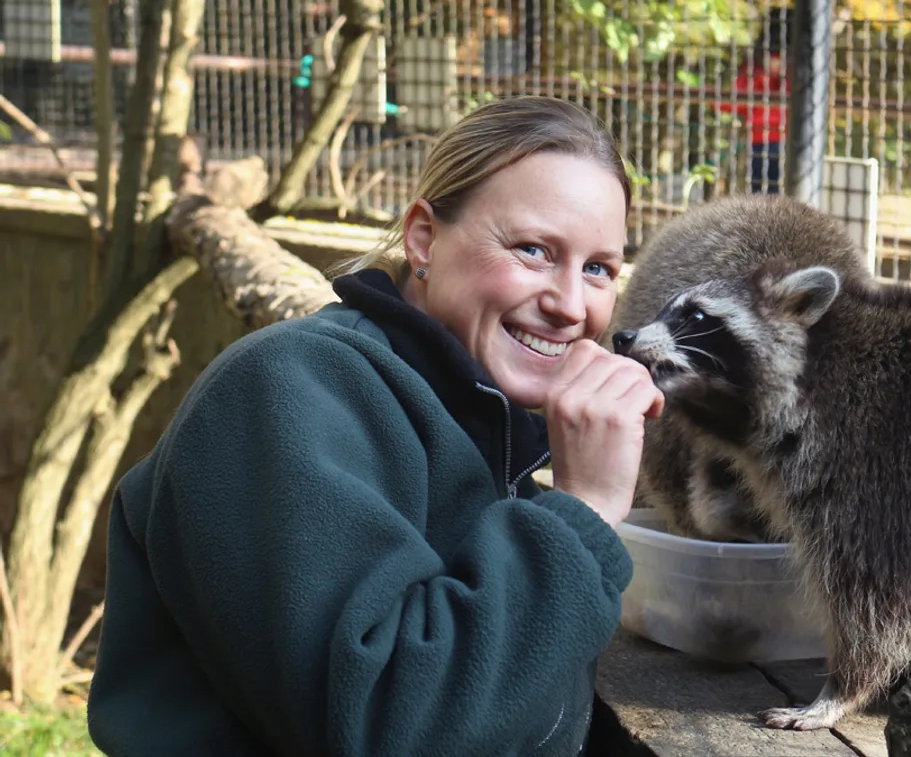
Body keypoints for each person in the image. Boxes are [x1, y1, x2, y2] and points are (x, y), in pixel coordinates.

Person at [86, 96, 664, 756]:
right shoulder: (288, 389)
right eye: (533, 250)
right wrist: (583, 509)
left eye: (598, 269)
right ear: (423, 238)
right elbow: (390, 728)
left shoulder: (483, 429)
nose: (570, 305)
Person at [718, 7, 791, 194]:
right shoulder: (754, 68)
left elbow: (730, 101)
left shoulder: (765, 67)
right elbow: (730, 102)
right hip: (762, 138)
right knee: (764, 192)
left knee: (767, 192)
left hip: (780, 140)